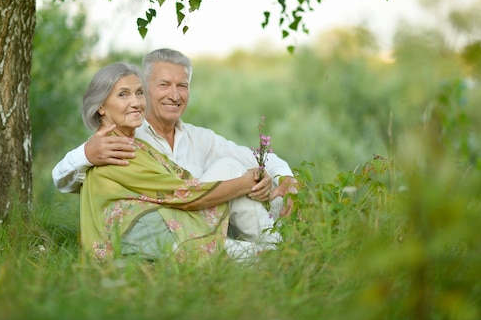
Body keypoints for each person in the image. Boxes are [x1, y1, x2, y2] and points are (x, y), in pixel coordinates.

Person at [53, 48, 299, 257]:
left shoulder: (200, 138)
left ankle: (274, 245)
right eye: (164, 85)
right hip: (160, 231)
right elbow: (63, 181)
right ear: (147, 88)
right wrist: (85, 154)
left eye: (182, 86)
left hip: (195, 218)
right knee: (240, 178)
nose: (174, 95)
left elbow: (257, 158)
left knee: (237, 168)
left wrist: (285, 179)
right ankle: (275, 251)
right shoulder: (121, 138)